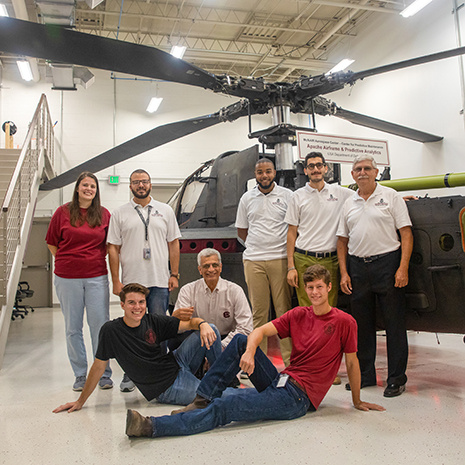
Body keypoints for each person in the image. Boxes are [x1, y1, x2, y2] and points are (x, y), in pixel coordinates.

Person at [124, 265, 385, 438]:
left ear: (329, 288)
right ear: (305, 290)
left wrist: (357, 400)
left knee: (226, 406)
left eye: (319, 287)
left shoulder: (344, 322)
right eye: (310, 287)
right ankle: (202, 398)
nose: (314, 292)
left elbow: (352, 362)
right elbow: (258, 331)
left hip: (297, 398)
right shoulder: (298, 314)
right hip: (281, 380)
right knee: (239, 341)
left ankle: (151, 426)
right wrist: (249, 352)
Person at [52, 283, 221, 414]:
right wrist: (80, 401)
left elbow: (189, 323)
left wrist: (202, 324)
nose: (137, 307)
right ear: (122, 305)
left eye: (141, 302)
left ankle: (221, 377)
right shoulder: (111, 331)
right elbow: (98, 367)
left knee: (211, 328)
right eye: (131, 303)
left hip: (177, 363)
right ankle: (223, 390)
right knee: (218, 396)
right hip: (166, 387)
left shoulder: (152, 320)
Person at [336, 155, 413, 398]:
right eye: (357, 169)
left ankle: (396, 379)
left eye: (367, 168)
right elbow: (342, 241)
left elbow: (406, 234)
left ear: (376, 172)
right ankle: (366, 375)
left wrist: (402, 268)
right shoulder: (349, 202)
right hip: (358, 267)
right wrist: (344, 272)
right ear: (352, 174)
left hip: (387, 265)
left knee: (394, 325)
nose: (362, 172)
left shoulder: (391, 196)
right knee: (361, 327)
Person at [107, 169, 181, 392]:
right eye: (136, 182)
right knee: (134, 329)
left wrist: (174, 273)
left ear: (151, 184)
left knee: (159, 328)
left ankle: (160, 371)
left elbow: (174, 243)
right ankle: (132, 374)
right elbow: (113, 248)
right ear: (130, 186)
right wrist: (116, 280)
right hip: (132, 283)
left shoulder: (165, 210)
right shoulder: (119, 213)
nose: (141, 185)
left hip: (159, 280)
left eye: (144, 181)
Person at [46, 172, 113, 392]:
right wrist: (68, 260)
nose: (89, 189)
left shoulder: (104, 215)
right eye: (85, 185)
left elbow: (109, 245)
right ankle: (80, 374)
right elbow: (52, 242)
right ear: (77, 188)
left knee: (100, 326)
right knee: (73, 328)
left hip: (96, 276)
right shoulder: (62, 212)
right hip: (67, 279)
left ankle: (103, 373)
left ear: (96, 190)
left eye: (92, 186)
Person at [235, 158, 293, 365]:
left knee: (283, 313)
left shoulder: (288, 196)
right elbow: (242, 230)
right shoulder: (247, 198)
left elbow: (294, 228)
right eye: (260, 172)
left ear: (274, 173)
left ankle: (289, 362)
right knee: (258, 314)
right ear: (255, 174)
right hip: (254, 261)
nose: (264, 176)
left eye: (268, 171)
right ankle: (258, 363)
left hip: (280, 258)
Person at [285, 152, 352, 309]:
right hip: (304, 259)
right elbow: (291, 232)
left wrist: (397, 198)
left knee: (329, 308)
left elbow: (363, 196)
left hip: (331, 261)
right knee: (307, 309)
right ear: (306, 171)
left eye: (319, 165)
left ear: (325, 168)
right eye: (311, 166)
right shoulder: (297, 196)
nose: (315, 169)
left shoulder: (339, 193)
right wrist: (291, 267)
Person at [171, 248, 253, 350]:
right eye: (206, 266)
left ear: (221, 267)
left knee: (244, 341)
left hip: (228, 339)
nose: (211, 269)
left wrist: (221, 346)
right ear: (199, 270)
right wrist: (174, 318)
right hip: (198, 339)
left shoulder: (235, 290)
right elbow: (178, 328)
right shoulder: (187, 290)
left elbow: (246, 328)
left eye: (215, 265)